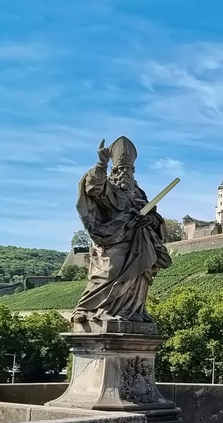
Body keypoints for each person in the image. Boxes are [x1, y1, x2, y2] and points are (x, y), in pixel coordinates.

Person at [72, 136, 171, 325]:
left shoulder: (139, 193)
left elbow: (155, 216)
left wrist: (149, 219)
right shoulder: (108, 187)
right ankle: (87, 308)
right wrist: (101, 163)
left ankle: (133, 311)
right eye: (121, 168)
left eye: (129, 169)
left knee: (139, 275)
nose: (126, 172)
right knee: (110, 270)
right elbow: (93, 188)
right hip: (112, 239)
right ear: (114, 170)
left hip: (139, 242)